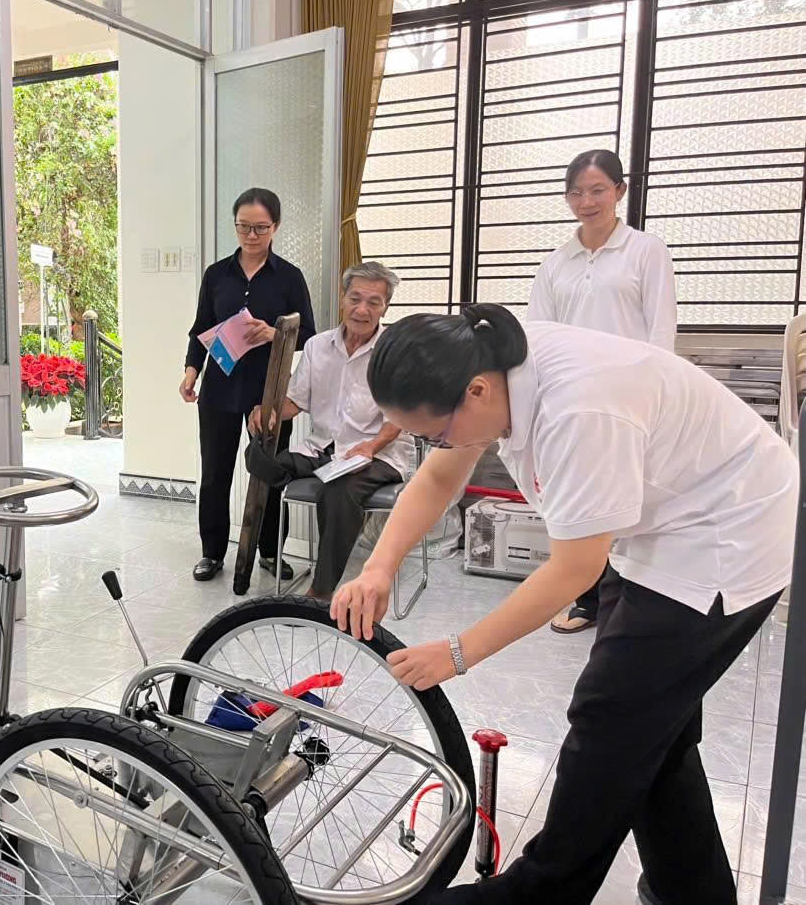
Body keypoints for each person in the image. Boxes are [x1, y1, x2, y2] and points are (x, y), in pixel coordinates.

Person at [330, 304, 794, 905]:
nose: (435, 447)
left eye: (433, 434)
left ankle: (543, 890)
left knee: (608, 718)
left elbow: (574, 569)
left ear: (475, 392)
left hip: (723, 538)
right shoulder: (486, 366)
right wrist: (378, 566)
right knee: (649, 728)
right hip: (665, 521)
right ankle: (693, 891)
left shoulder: (577, 411)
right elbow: (441, 478)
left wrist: (458, 652)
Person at [534, 149, 678, 635]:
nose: (587, 202)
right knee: (582, 503)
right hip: (573, 400)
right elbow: (540, 333)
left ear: (619, 190)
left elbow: (661, 330)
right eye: (576, 193)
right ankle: (587, 601)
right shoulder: (556, 263)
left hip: (631, 398)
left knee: (631, 505)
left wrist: (657, 393)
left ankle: (629, 604)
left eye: (597, 190)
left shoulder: (646, 250)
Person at [243, 261, 414, 598]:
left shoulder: (395, 351)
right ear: (342, 299)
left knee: (338, 490)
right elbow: (295, 402)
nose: (362, 309)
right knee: (258, 456)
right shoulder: (317, 346)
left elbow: (400, 418)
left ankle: (320, 593)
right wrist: (269, 412)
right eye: (355, 298)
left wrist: (370, 448)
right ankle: (284, 487)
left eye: (374, 302)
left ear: (385, 307)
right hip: (323, 449)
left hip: (377, 455)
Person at [182, 187, 316, 582]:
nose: (251, 236)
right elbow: (200, 328)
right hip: (219, 387)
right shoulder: (216, 275)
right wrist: (191, 371)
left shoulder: (289, 277)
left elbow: (309, 334)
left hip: (268, 390)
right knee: (215, 472)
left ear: (276, 226)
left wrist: (275, 333)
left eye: (260, 228)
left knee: (270, 471)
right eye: (243, 227)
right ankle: (211, 552)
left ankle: (270, 552)